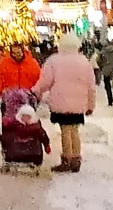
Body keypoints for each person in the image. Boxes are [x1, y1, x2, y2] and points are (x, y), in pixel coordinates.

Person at [32, 31, 97, 172]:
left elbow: (45, 81)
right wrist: (91, 105)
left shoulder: (54, 60)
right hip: (79, 104)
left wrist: (36, 91)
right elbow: (91, 86)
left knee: (65, 130)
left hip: (60, 101)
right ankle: (76, 159)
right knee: (74, 130)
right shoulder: (84, 61)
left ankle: (67, 159)